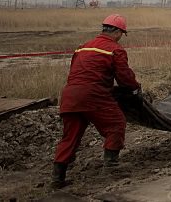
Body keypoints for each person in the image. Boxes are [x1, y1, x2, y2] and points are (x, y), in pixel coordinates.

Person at [52, 14, 141, 189]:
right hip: (93, 95)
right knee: (116, 124)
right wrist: (135, 88)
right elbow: (124, 78)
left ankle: (57, 178)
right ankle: (111, 167)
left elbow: (76, 73)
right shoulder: (115, 50)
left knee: (70, 137)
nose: (120, 37)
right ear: (116, 31)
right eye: (121, 33)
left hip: (70, 96)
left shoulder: (82, 48)